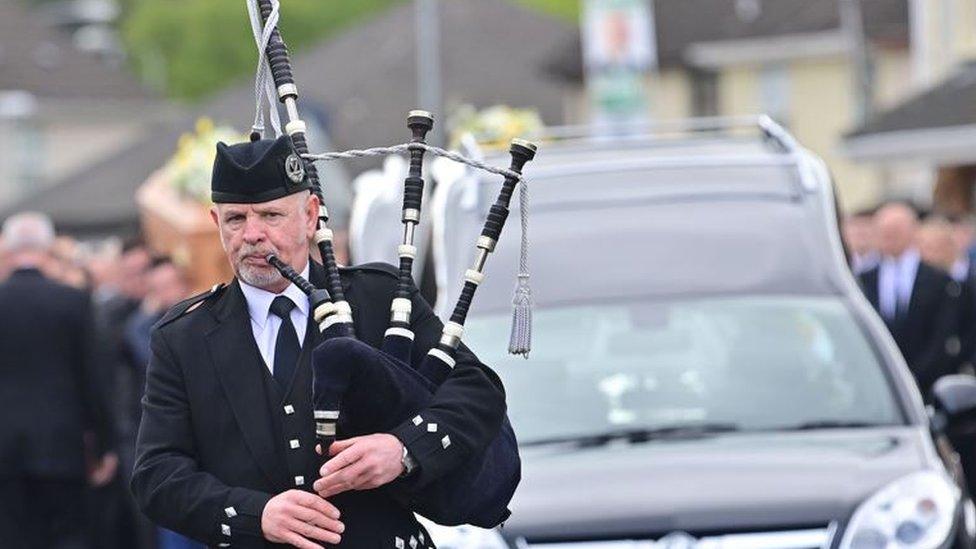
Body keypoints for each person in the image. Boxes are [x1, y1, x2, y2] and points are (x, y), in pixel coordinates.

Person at [131, 136, 509, 547]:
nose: (252, 234)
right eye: (235, 219)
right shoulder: (183, 338)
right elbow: (157, 475)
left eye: (271, 215)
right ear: (215, 221)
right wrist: (255, 515)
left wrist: (403, 450)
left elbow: (477, 390)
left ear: (310, 216)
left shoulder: (378, 299)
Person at [0, 212, 117, 549]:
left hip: (4, 450)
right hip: (61, 448)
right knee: (69, 536)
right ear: (47, 248)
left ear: (8, 250)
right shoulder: (73, 301)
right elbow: (94, 379)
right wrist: (105, 444)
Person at [858, 203, 959, 398]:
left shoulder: (939, 282)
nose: (889, 236)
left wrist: (913, 377)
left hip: (926, 385)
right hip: (876, 386)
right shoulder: (862, 280)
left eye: (895, 230)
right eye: (883, 231)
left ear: (912, 232)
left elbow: (942, 336)